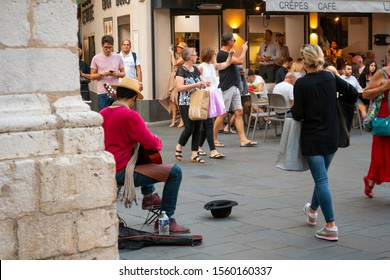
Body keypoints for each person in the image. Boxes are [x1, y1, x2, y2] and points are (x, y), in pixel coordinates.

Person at [100, 77, 190, 233]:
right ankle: (166, 219)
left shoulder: (102, 113)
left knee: (139, 154)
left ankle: (149, 196)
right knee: (175, 172)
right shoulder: (130, 116)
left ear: (118, 94)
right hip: (121, 172)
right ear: (134, 98)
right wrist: (157, 139)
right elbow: (152, 144)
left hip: (106, 169)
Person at [292, 44, 357, 241]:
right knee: (322, 177)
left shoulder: (301, 84)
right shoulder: (330, 77)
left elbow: (298, 114)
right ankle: (312, 211)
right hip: (331, 135)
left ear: (304, 62)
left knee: (321, 180)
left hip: (313, 137)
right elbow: (353, 95)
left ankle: (330, 225)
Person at [213, 32, 257, 148]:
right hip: (227, 86)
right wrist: (244, 50)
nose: (235, 43)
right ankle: (213, 138)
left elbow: (234, 65)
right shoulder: (222, 54)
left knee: (239, 112)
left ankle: (243, 139)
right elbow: (240, 61)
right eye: (234, 41)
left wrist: (239, 71)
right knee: (223, 114)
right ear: (230, 42)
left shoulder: (228, 53)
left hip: (235, 86)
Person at [362, 46, 390, 199]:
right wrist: (384, 87)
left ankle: (371, 180)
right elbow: (366, 94)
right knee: (380, 157)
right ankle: (370, 180)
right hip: (385, 120)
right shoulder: (382, 73)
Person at [197, 47, 234, 159]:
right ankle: (212, 150)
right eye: (213, 55)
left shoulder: (213, 66)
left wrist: (230, 55)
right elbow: (195, 80)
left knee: (207, 123)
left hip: (213, 95)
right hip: (205, 95)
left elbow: (226, 64)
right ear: (209, 56)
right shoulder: (201, 67)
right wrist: (202, 83)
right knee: (208, 123)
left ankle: (199, 147)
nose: (215, 57)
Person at [175, 47, 209, 164]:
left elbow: (198, 83)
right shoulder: (181, 70)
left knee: (198, 128)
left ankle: (194, 154)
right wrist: (195, 84)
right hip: (185, 102)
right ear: (190, 57)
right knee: (189, 128)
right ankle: (179, 145)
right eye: (195, 54)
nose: (197, 56)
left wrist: (203, 84)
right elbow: (179, 88)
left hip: (196, 101)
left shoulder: (195, 69)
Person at [90, 35, 125, 111]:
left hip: (115, 92)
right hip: (102, 92)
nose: (108, 50)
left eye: (110, 47)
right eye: (106, 47)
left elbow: (123, 74)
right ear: (102, 45)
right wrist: (102, 74)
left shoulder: (118, 57)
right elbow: (92, 76)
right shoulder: (96, 58)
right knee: (104, 116)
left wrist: (115, 74)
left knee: (116, 116)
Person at [160, 42, 187, 128]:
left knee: (177, 99)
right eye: (177, 47)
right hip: (174, 78)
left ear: (183, 49)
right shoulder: (180, 56)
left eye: (179, 47)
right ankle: (174, 119)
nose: (177, 48)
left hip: (178, 79)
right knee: (172, 99)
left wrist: (171, 54)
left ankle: (182, 120)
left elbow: (175, 63)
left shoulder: (184, 57)